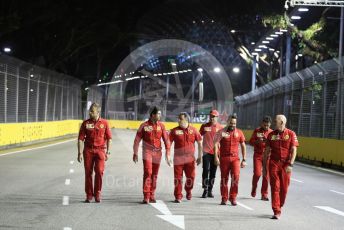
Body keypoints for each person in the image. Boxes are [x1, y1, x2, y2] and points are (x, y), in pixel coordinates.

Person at [263, 114, 299, 219]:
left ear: (282, 122)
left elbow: (294, 150)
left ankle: (280, 204)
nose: (274, 123)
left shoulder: (291, 134)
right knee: (275, 187)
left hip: (286, 165)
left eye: (276, 121)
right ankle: (276, 210)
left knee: (284, 189)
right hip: (274, 163)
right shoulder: (271, 135)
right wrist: (264, 167)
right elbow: (266, 152)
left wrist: (291, 164)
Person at [133, 106, 171, 204]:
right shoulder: (144, 125)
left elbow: (166, 140)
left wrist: (168, 153)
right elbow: (137, 140)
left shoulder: (161, 126)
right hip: (147, 152)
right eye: (158, 114)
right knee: (148, 172)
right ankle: (146, 196)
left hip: (158, 153)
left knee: (154, 174)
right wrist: (135, 152)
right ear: (153, 115)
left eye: (160, 114)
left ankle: (152, 195)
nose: (160, 115)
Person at [77, 102, 112, 203]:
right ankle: (89, 194)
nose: (90, 113)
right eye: (90, 111)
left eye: (92, 111)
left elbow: (109, 138)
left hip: (100, 150)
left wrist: (108, 151)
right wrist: (79, 153)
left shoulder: (104, 123)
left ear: (98, 112)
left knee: (99, 172)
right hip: (88, 150)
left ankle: (97, 193)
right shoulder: (86, 123)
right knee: (88, 173)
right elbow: (80, 139)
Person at [214, 114, 247, 206]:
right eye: (231, 123)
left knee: (235, 177)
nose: (233, 125)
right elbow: (216, 144)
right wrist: (216, 157)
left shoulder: (239, 132)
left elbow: (243, 145)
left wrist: (244, 159)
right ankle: (224, 198)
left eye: (234, 123)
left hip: (235, 159)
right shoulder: (221, 132)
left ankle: (233, 197)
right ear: (228, 122)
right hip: (224, 158)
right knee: (224, 178)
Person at [169, 112, 202, 203]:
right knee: (178, 178)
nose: (178, 120)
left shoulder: (194, 130)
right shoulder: (174, 131)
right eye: (178, 119)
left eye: (181, 119)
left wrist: (200, 156)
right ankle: (178, 196)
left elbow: (199, 143)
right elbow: (168, 143)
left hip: (190, 159)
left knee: (191, 177)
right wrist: (168, 155)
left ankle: (188, 190)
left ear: (186, 120)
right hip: (178, 159)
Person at [199, 110, 223, 198]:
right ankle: (205, 189)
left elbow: (223, 140)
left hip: (216, 153)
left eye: (214, 116)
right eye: (211, 116)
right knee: (206, 169)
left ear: (217, 117)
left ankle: (210, 190)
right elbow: (198, 137)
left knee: (213, 172)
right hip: (206, 152)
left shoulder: (220, 127)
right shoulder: (204, 126)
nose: (212, 118)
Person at [249, 116, 273, 201]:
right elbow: (250, 142)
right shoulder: (257, 131)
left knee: (266, 175)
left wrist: (267, 141)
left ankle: (264, 194)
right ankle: (254, 187)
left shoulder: (272, 133)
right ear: (262, 123)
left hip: (267, 156)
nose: (266, 127)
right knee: (257, 174)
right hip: (258, 155)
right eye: (264, 125)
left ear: (270, 124)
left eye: (267, 125)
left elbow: (274, 145)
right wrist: (257, 141)